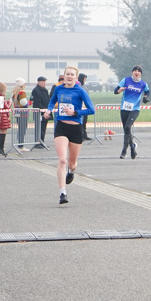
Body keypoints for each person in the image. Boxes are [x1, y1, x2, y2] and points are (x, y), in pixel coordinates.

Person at [43, 66, 95, 205]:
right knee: (62, 160)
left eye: (72, 74)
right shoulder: (59, 89)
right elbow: (52, 101)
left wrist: (76, 113)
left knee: (72, 164)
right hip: (61, 127)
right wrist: (48, 111)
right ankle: (62, 193)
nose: (69, 76)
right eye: (67, 74)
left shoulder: (80, 91)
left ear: (76, 78)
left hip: (75, 128)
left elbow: (91, 110)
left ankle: (71, 172)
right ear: (64, 76)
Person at [114, 65, 149, 159]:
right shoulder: (125, 80)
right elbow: (115, 91)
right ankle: (132, 146)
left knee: (128, 126)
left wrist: (145, 98)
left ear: (140, 74)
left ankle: (124, 150)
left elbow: (147, 91)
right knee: (126, 129)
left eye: (138, 71)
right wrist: (119, 90)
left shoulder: (143, 84)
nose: (136, 72)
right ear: (132, 72)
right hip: (124, 108)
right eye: (135, 71)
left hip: (135, 109)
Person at [30, 76, 51, 148]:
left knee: (43, 127)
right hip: (39, 112)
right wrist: (43, 109)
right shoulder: (36, 90)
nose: (44, 83)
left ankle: (42, 141)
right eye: (43, 82)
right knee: (39, 127)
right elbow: (37, 102)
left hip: (45, 112)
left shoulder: (45, 90)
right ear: (39, 82)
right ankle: (37, 142)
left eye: (45, 82)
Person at [0, 82, 12, 157]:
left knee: (1, 132)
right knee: (3, 132)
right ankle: (0, 148)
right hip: (3, 116)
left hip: (0, 115)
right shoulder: (1, 97)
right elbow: (6, 107)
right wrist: (10, 102)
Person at [12, 78, 29, 150]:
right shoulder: (22, 93)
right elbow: (23, 103)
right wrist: (29, 103)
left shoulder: (15, 93)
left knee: (20, 129)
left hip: (17, 112)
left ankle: (19, 143)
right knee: (23, 129)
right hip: (23, 113)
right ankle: (21, 146)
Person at [78, 73, 93, 141]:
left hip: (85, 106)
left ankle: (84, 134)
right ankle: (80, 135)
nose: (85, 80)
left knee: (84, 122)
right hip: (80, 106)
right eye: (84, 79)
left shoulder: (85, 87)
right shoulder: (79, 86)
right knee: (81, 122)